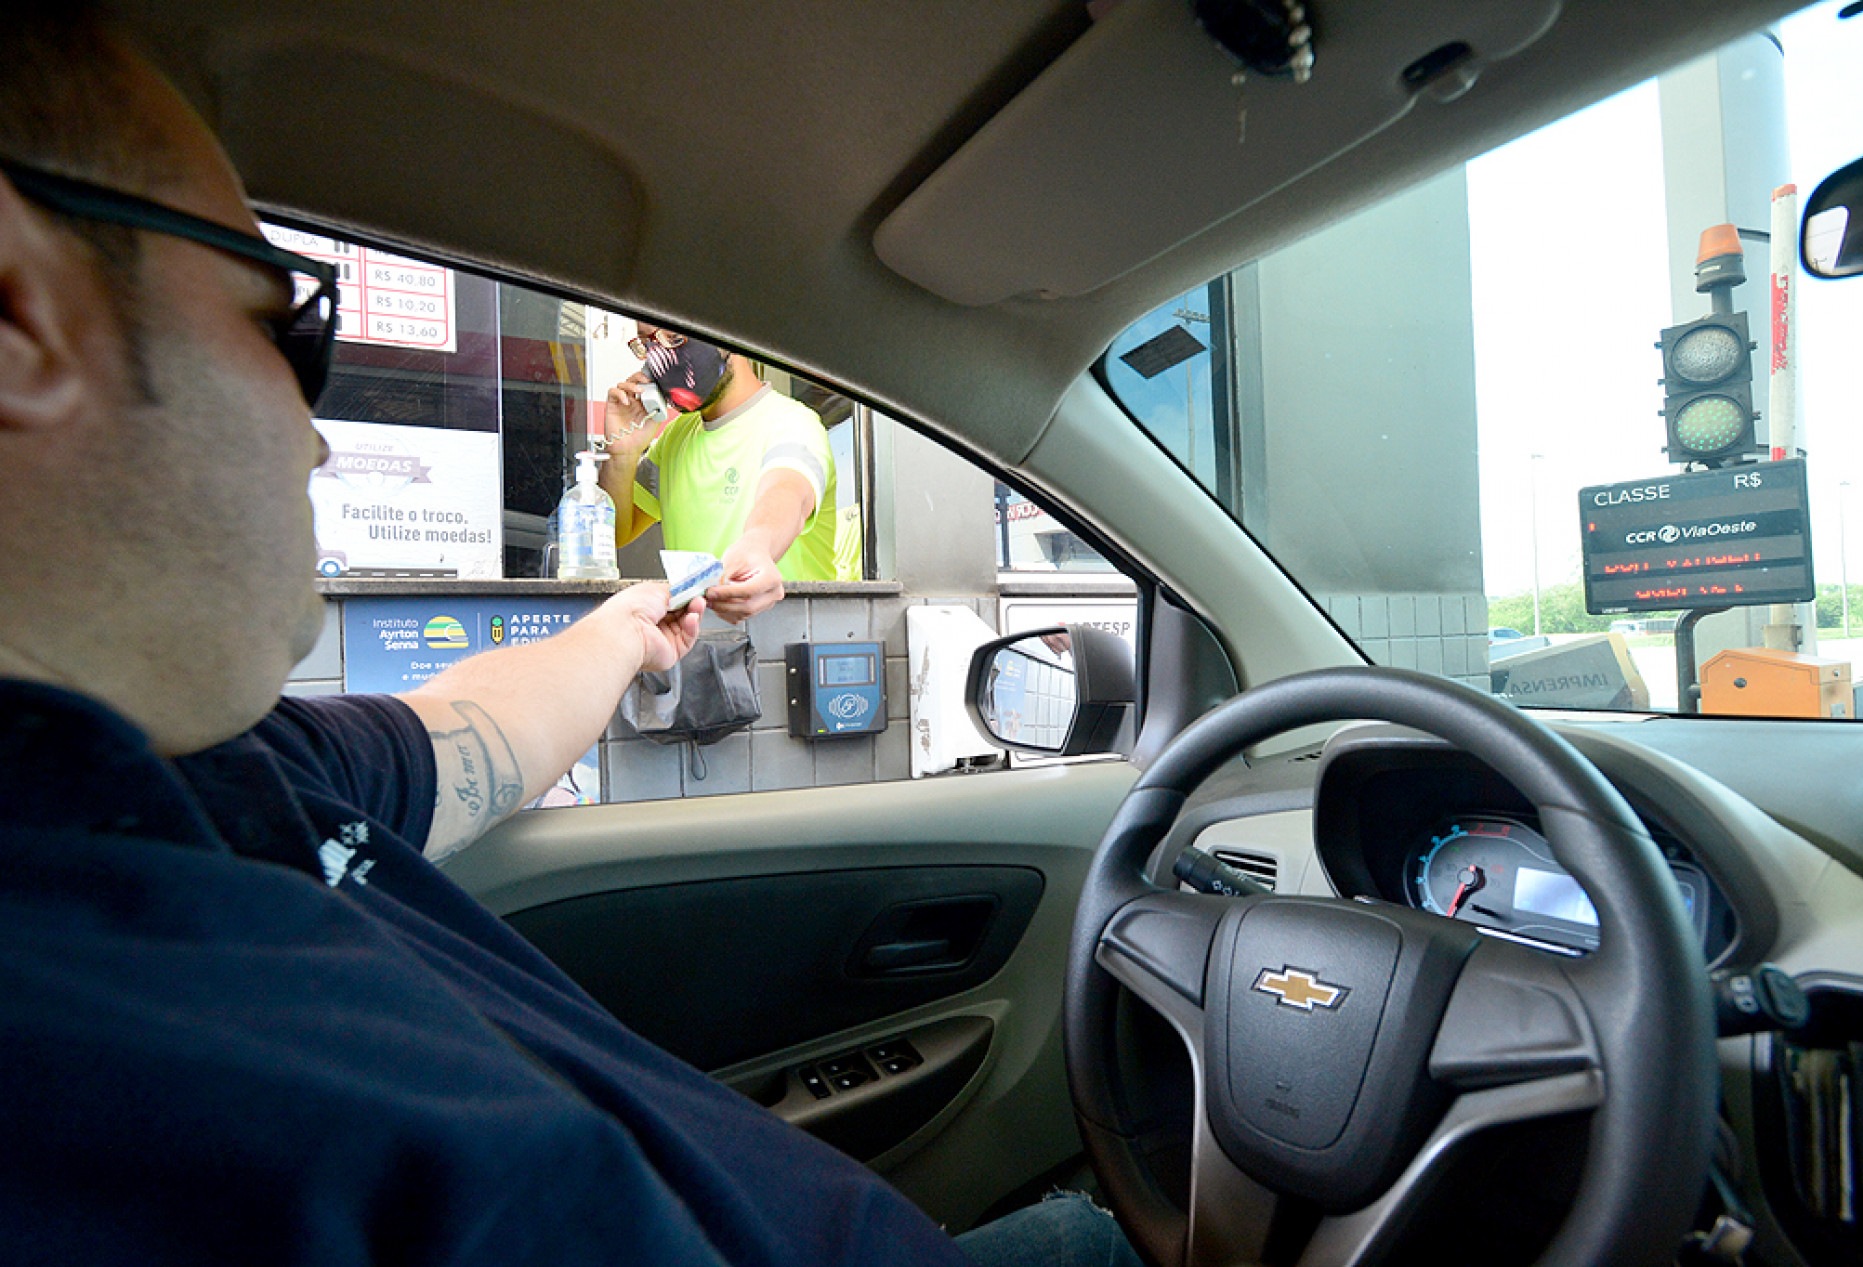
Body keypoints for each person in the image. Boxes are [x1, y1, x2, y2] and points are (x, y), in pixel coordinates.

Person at [0, 10, 1139, 1266]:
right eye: (282, 331)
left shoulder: (220, 765)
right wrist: (631, 465)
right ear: (20, 316)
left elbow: (463, 728)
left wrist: (624, 628)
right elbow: (630, 523)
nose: (316, 435)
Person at [599, 324, 852, 623]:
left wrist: (757, 546)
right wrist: (622, 455)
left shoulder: (793, 424)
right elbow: (612, 534)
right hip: (701, 647)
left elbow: (787, 494)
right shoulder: (675, 438)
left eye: (673, 338)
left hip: (782, 643)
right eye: (647, 344)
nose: (659, 358)